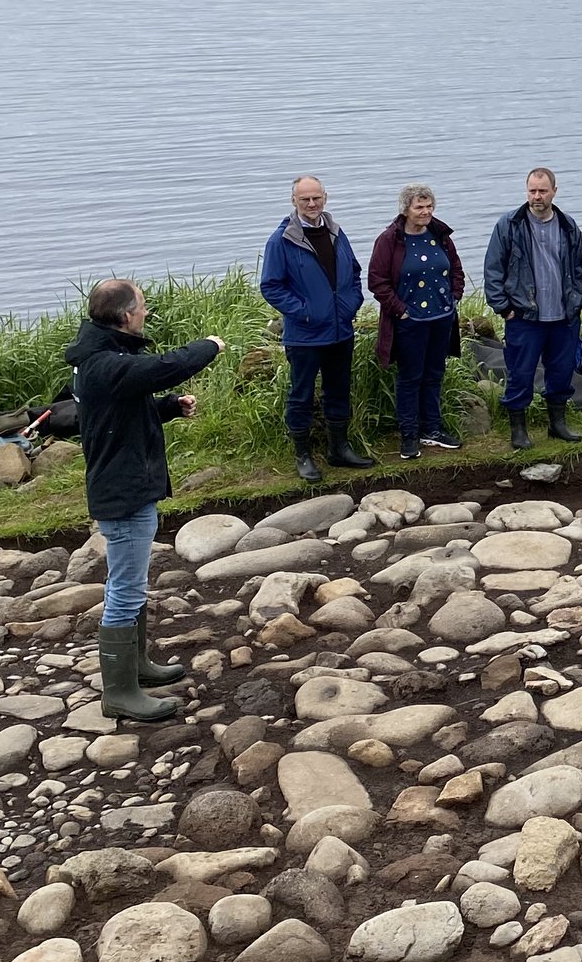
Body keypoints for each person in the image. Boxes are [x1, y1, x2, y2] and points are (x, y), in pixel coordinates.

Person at [65, 279, 223, 722]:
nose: (147, 312)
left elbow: (122, 408)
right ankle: (119, 693)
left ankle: (137, 668)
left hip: (125, 485)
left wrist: (168, 407)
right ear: (125, 315)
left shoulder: (103, 358)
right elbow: (161, 368)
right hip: (123, 492)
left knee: (129, 588)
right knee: (125, 590)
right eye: (143, 306)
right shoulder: (104, 363)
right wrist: (208, 346)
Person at [258, 175, 372, 483]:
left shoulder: (336, 232)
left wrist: (352, 304)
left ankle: (339, 448)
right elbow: (271, 286)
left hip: (340, 330)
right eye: (305, 199)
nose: (311, 204)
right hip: (305, 335)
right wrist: (305, 313)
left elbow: (354, 272)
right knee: (301, 395)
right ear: (293, 201)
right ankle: (303, 455)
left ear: (325, 197)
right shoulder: (281, 240)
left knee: (339, 389)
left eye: (316, 198)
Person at [483, 167, 582, 449]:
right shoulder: (509, 225)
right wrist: (503, 308)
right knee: (520, 373)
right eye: (532, 190)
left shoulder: (568, 225)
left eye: (542, 191)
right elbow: (493, 270)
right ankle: (518, 431)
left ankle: (558, 425)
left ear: (554, 191)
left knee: (562, 370)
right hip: (524, 317)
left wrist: (578, 300)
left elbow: (581, 267)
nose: (537, 196)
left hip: (563, 317)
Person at [369, 183, 466, 461]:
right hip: (409, 322)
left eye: (428, 206)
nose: (425, 212)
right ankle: (409, 435)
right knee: (410, 378)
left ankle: (432, 430)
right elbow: (377, 281)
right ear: (406, 210)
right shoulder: (389, 240)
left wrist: (454, 297)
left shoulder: (441, 236)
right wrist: (400, 311)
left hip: (441, 319)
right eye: (419, 207)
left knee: (434, 375)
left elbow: (456, 270)